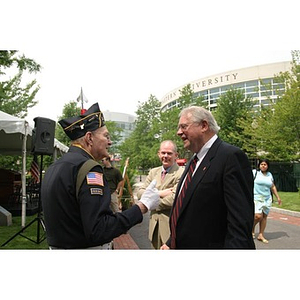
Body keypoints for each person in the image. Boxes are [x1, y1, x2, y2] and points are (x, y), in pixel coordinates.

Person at [41, 103, 160, 249]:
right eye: (106, 136)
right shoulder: (89, 168)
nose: (110, 142)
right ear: (89, 138)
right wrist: (142, 206)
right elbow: (100, 229)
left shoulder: (55, 166)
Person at [161, 106, 255, 249]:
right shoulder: (193, 161)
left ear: (204, 125)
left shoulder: (230, 157)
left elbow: (240, 224)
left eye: (184, 126)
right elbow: (187, 211)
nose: (178, 132)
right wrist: (171, 242)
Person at [137, 140, 184, 249]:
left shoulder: (181, 173)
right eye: (163, 153)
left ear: (176, 155)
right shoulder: (153, 172)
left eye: (169, 153)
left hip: (170, 229)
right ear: (159, 154)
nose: (165, 156)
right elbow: (140, 192)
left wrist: (150, 200)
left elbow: (174, 199)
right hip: (154, 228)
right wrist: (160, 193)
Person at [252, 159, 282, 244]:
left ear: (268, 166)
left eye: (265, 164)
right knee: (258, 216)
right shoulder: (254, 173)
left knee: (264, 216)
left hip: (267, 198)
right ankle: (252, 228)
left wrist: (278, 197)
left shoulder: (269, 175)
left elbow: (272, 186)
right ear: (259, 165)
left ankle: (261, 235)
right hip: (256, 198)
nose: (263, 166)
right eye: (262, 164)